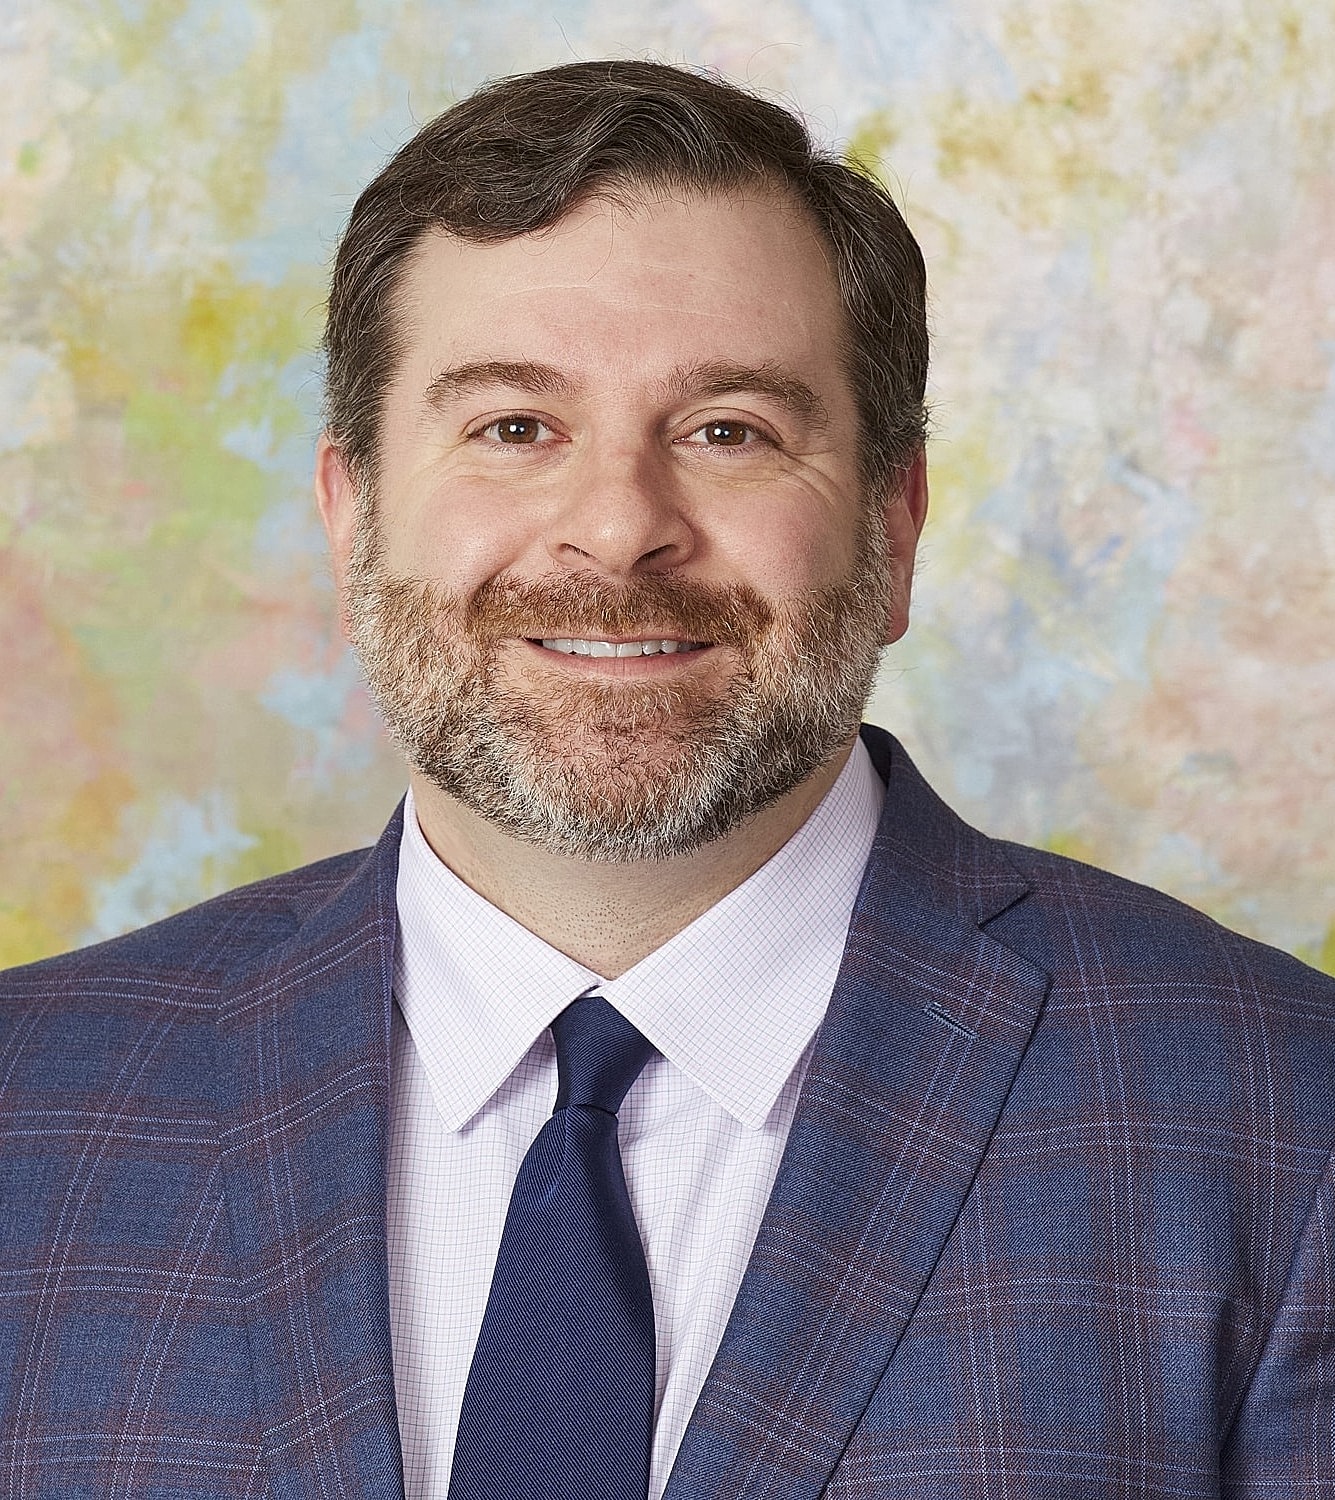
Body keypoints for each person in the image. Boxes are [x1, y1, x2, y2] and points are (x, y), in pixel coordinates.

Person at [1, 57, 1332, 1500]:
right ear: (350, 517)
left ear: (894, 529)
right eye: (516, 426)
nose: (620, 530)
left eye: (728, 431)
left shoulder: (1281, 1117)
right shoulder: (33, 1107)